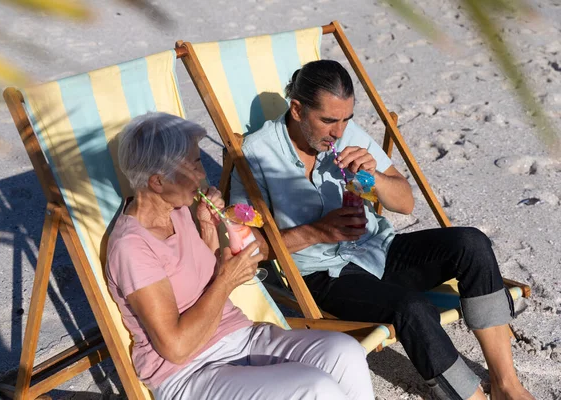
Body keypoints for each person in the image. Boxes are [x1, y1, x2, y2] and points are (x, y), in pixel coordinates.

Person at [229, 60, 535, 400]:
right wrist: (317, 232)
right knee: (412, 308)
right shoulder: (256, 153)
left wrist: (375, 178)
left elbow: (404, 203)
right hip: (324, 276)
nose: (339, 131)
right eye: (328, 120)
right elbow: (248, 245)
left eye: (345, 119)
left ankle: (507, 384)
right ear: (298, 109)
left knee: (471, 243)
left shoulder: (348, 135)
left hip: (379, 250)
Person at [105, 112, 375, 400]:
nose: (202, 175)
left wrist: (208, 229)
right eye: (195, 165)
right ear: (158, 182)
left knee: (345, 352)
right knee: (314, 388)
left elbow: (201, 278)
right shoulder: (131, 247)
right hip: (189, 372)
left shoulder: (178, 209)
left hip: (239, 338)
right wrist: (226, 280)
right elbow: (176, 347)